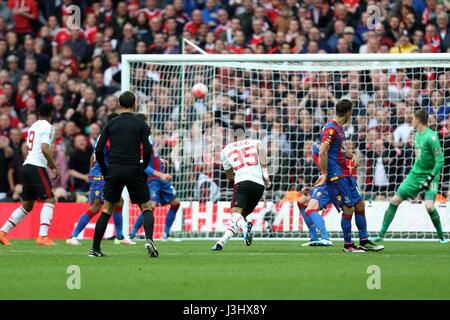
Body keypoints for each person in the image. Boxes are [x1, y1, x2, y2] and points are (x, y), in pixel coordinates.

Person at [89, 91, 156, 257]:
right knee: (146, 207)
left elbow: (98, 150)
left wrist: (106, 170)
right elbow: (148, 150)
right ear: (134, 104)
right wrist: (143, 168)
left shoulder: (111, 124)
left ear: (119, 104)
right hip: (133, 169)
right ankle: (149, 240)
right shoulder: (141, 124)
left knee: (107, 209)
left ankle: (95, 249)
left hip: (114, 170)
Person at [315, 99, 384, 253]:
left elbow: (339, 149)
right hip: (336, 176)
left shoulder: (339, 128)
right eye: (351, 113)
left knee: (360, 204)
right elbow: (322, 151)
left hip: (346, 173)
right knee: (348, 209)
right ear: (348, 113)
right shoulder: (331, 129)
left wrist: (351, 155)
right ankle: (348, 245)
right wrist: (325, 173)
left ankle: (364, 241)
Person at [371, 110, 447, 243]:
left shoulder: (432, 137)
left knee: (429, 206)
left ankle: (442, 237)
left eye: (412, 118)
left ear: (418, 120)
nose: (411, 120)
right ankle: (381, 235)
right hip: (415, 175)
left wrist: (430, 177)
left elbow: (440, 161)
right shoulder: (416, 135)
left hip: (431, 176)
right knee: (394, 200)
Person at [66, 113, 135, 246]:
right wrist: (93, 174)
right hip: (100, 174)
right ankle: (72, 236)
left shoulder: (105, 136)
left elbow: (93, 157)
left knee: (118, 202)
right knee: (97, 206)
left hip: (103, 173)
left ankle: (120, 236)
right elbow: (98, 156)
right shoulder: (109, 137)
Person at [0, 104, 59, 246]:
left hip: (26, 166)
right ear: (51, 114)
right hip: (36, 166)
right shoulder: (48, 127)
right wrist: (53, 166)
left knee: (27, 204)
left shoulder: (33, 126)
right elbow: (45, 148)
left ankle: (2, 232)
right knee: (50, 199)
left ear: (39, 113)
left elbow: (28, 148)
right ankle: (43, 237)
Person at [211, 124, 271, 251]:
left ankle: (245, 227)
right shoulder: (255, 142)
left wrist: (234, 182)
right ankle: (221, 242)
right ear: (245, 134)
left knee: (235, 215)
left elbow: (229, 177)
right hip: (259, 185)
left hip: (242, 183)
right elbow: (261, 151)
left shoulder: (226, 150)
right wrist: (265, 173)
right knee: (239, 217)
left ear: (233, 136)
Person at [129, 133, 181, 241]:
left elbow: (151, 156)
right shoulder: (139, 145)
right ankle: (132, 233)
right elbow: (144, 167)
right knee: (150, 206)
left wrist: (160, 160)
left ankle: (166, 234)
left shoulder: (149, 140)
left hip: (160, 178)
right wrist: (162, 175)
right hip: (152, 180)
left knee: (176, 203)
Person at [298, 139, 333, 247]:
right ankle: (314, 237)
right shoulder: (318, 154)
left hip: (331, 185)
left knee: (310, 208)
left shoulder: (322, 152)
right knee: (301, 202)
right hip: (324, 185)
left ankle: (325, 238)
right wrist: (312, 188)